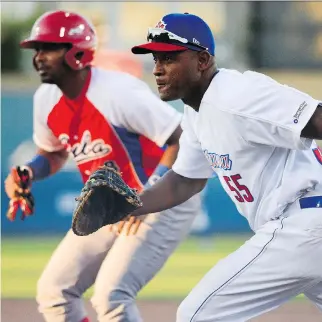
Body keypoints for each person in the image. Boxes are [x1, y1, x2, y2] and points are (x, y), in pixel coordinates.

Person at [4, 10, 203, 322]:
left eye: (50, 48)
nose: (39, 57)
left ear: (78, 53)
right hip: (109, 203)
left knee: (111, 295)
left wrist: (147, 199)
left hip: (164, 197)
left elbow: (181, 140)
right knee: (54, 292)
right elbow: (53, 154)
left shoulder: (118, 92)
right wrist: (28, 172)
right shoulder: (45, 99)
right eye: (37, 49)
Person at [128, 12, 322, 321]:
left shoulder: (237, 94)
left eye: (169, 58)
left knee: (196, 315)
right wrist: (128, 204)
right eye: (155, 59)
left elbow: (318, 120)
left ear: (202, 60)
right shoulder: (197, 111)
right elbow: (184, 181)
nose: (157, 69)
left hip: (304, 225)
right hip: (306, 229)